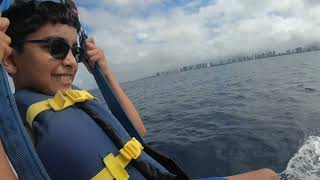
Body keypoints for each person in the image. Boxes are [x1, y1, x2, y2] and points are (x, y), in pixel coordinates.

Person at [0, 1, 279, 180]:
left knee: (267, 176)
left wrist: (104, 68)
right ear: (11, 59)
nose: (71, 61)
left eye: (73, 50)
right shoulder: (13, 132)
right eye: (56, 48)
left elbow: (137, 133)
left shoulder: (76, 101)